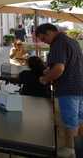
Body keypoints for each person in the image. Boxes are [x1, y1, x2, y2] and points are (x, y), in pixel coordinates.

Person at [36, 23, 83, 158]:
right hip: (79, 85)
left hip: (67, 88)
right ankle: (79, 148)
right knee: (79, 120)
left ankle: (70, 150)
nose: (43, 41)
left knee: (70, 122)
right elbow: (70, 64)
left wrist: (45, 79)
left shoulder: (58, 43)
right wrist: (49, 69)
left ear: (49, 32)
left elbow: (59, 69)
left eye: (43, 38)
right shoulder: (72, 41)